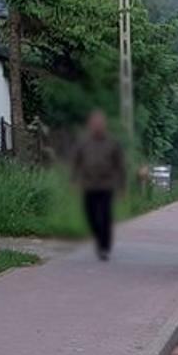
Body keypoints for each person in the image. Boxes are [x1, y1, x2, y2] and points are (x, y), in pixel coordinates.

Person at [67, 110, 125, 261]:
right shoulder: (84, 142)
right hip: (89, 185)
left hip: (106, 185)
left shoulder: (112, 143)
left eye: (100, 123)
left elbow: (120, 166)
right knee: (91, 216)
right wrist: (73, 180)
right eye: (94, 123)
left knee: (105, 216)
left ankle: (104, 247)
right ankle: (99, 237)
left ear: (104, 125)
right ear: (90, 125)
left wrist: (121, 187)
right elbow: (76, 162)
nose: (97, 126)